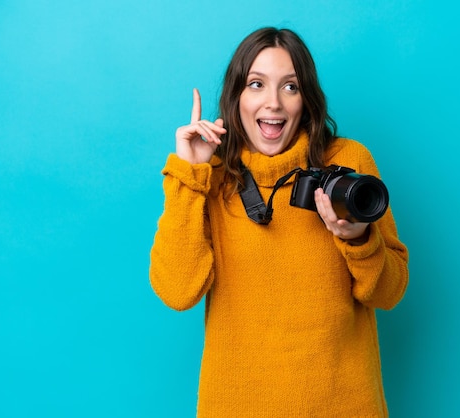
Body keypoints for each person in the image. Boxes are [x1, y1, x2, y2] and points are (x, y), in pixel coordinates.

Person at [149, 27, 409, 417]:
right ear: (235, 96)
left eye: (290, 87)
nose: (273, 103)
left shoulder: (348, 164)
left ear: (306, 100)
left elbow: (389, 293)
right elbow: (177, 290)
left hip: (342, 405)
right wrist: (189, 174)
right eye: (256, 84)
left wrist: (359, 240)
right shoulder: (212, 175)